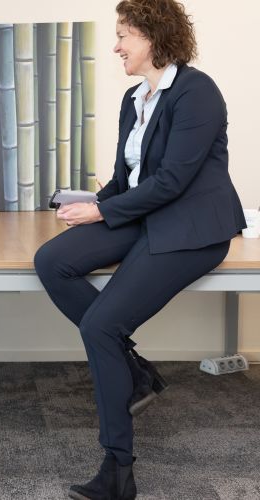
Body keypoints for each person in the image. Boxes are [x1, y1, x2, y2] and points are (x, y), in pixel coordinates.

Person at [33, 1, 246, 498]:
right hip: (148, 213)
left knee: (100, 325)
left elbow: (172, 181)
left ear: (155, 36)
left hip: (193, 226)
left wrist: (103, 214)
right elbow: (129, 178)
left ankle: (118, 470)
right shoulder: (136, 97)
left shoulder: (197, 92)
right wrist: (90, 201)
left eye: (125, 34)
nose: (116, 45)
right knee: (52, 260)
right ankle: (135, 372)